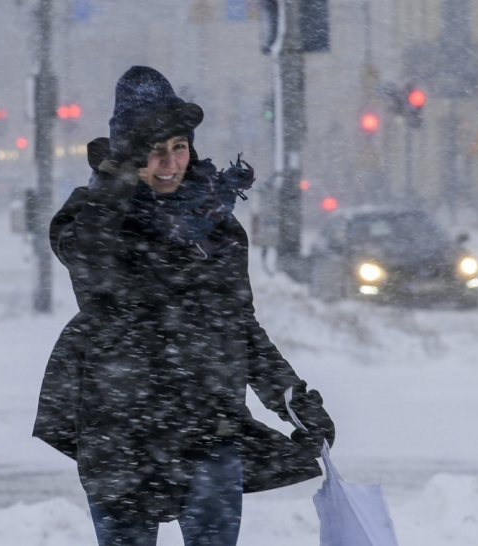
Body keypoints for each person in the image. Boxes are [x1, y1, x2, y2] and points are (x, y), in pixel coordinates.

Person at [33, 66, 334, 546]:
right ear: (128, 155)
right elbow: (89, 260)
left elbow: (239, 327)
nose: (169, 163)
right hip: (121, 435)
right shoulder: (91, 217)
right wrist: (116, 180)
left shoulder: (216, 225)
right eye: (152, 150)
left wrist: (292, 399)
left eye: (179, 146)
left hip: (208, 428)